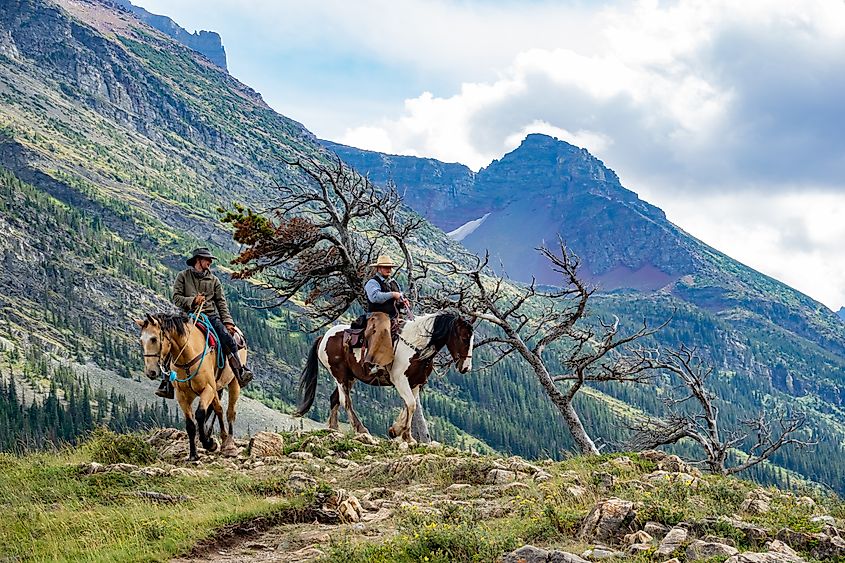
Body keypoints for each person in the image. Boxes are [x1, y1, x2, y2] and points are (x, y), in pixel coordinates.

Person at [156, 248, 253, 398]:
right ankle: (166, 383)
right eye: (207, 259)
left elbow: (221, 303)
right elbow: (176, 298)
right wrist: (192, 301)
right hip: (187, 316)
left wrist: (228, 322)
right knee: (172, 342)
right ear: (198, 260)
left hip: (209, 316)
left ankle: (240, 371)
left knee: (228, 339)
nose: (210, 262)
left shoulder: (214, 280)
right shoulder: (183, 276)